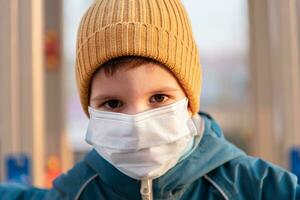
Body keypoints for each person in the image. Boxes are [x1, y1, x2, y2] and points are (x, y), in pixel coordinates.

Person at [1, 0, 299, 199]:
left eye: (158, 97)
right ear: (89, 108)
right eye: (113, 104)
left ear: (189, 99)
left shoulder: (251, 186)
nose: (136, 125)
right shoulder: (77, 191)